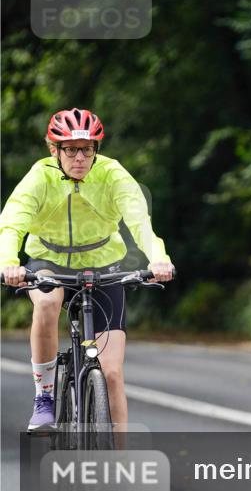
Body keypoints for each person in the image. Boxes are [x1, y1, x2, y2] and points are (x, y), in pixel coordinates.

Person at [0, 108, 174, 431]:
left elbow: (139, 222)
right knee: (49, 303)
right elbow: (10, 225)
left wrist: (157, 258)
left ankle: (120, 465)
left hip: (103, 267)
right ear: (54, 150)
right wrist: (9, 263)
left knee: (111, 374)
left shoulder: (112, 175)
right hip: (48, 263)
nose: (80, 157)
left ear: (96, 149)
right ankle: (45, 396)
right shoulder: (40, 177)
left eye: (87, 149)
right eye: (70, 149)